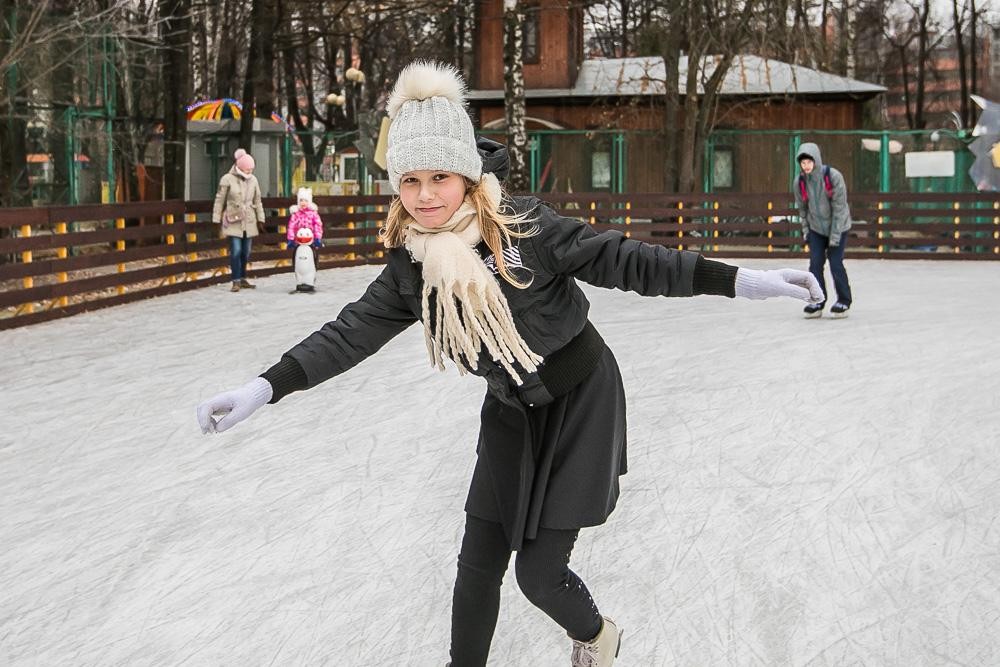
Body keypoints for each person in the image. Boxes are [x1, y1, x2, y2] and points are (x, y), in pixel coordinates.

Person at [196, 61, 823, 667]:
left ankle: (598, 636)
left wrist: (741, 280)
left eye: (438, 178)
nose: (423, 196)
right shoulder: (412, 266)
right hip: (510, 411)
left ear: (467, 176)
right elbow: (348, 333)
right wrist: (265, 386)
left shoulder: (524, 229)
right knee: (476, 569)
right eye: (409, 181)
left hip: (582, 402)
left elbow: (629, 261)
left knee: (539, 576)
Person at [794, 142, 853, 318]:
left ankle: (844, 300)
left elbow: (840, 209)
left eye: (809, 162)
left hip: (838, 227)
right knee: (815, 264)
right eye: (803, 163)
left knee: (835, 264)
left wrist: (834, 237)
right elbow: (802, 210)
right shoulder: (800, 182)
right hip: (816, 229)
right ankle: (818, 300)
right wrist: (806, 230)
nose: (806, 166)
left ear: (816, 160)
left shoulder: (833, 177)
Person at [212, 148, 266, 292]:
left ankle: (242, 277)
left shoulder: (253, 180)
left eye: (251, 170)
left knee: (245, 252)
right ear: (240, 167)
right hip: (232, 220)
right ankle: (235, 280)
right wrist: (216, 219)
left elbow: (258, 200)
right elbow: (219, 200)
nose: (249, 172)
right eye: (247, 170)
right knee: (235, 250)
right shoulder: (227, 179)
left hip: (249, 220)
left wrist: (261, 218)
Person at [285, 187, 323, 265]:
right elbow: (291, 226)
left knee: (313, 251)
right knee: (297, 252)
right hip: (298, 239)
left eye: (306, 201)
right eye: (301, 200)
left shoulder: (313, 214)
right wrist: (291, 239)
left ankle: (314, 264)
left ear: (309, 202)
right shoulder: (296, 214)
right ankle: (296, 265)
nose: (303, 203)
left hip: (310, 239)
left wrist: (317, 237)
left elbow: (318, 225)